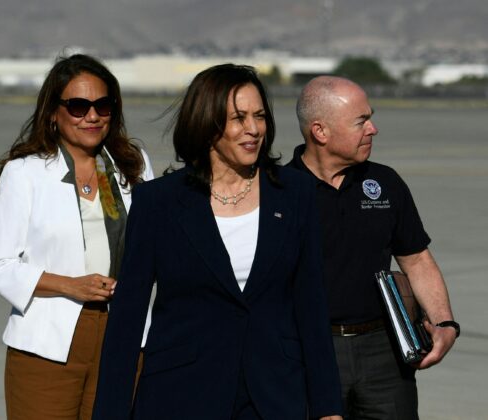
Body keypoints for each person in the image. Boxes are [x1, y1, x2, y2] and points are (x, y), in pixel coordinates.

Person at [92, 64, 343, 420]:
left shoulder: (295, 193)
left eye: (259, 116)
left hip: (273, 396)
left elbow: (311, 305)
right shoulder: (157, 202)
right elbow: (127, 322)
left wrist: (328, 406)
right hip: (180, 395)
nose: (253, 129)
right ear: (207, 123)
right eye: (238, 118)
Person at [0, 54, 154, 420]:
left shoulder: (132, 165)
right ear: (53, 113)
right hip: (47, 345)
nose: (92, 116)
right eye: (78, 106)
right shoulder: (24, 173)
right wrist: (70, 286)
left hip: (124, 336)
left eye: (103, 105)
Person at [288, 75, 458, 419]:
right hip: (309, 351)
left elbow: (417, 260)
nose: (373, 129)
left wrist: (444, 323)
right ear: (320, 132)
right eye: (361, 121)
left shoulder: (385, 183)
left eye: (371, 117)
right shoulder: (278, 190)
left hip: (385, 353)